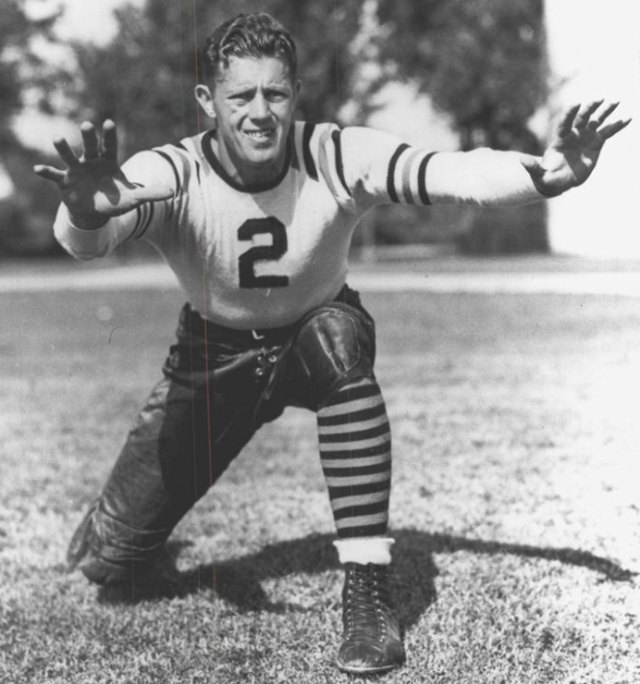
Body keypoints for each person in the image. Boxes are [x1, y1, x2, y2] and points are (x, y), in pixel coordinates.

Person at [34, 12, 630, 676]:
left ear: (295, 95)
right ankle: (112, 529)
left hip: (314, 333)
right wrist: (85, 212)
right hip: (215, 356)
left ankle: (368, 593)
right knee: (110, 564)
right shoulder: (174, 170)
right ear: (208, 101)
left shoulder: (333, 153)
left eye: (276, 94)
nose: (261, 112)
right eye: (241, 96)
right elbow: (90, 239)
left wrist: (547, 174)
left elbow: (451, 171)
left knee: (340, 341)